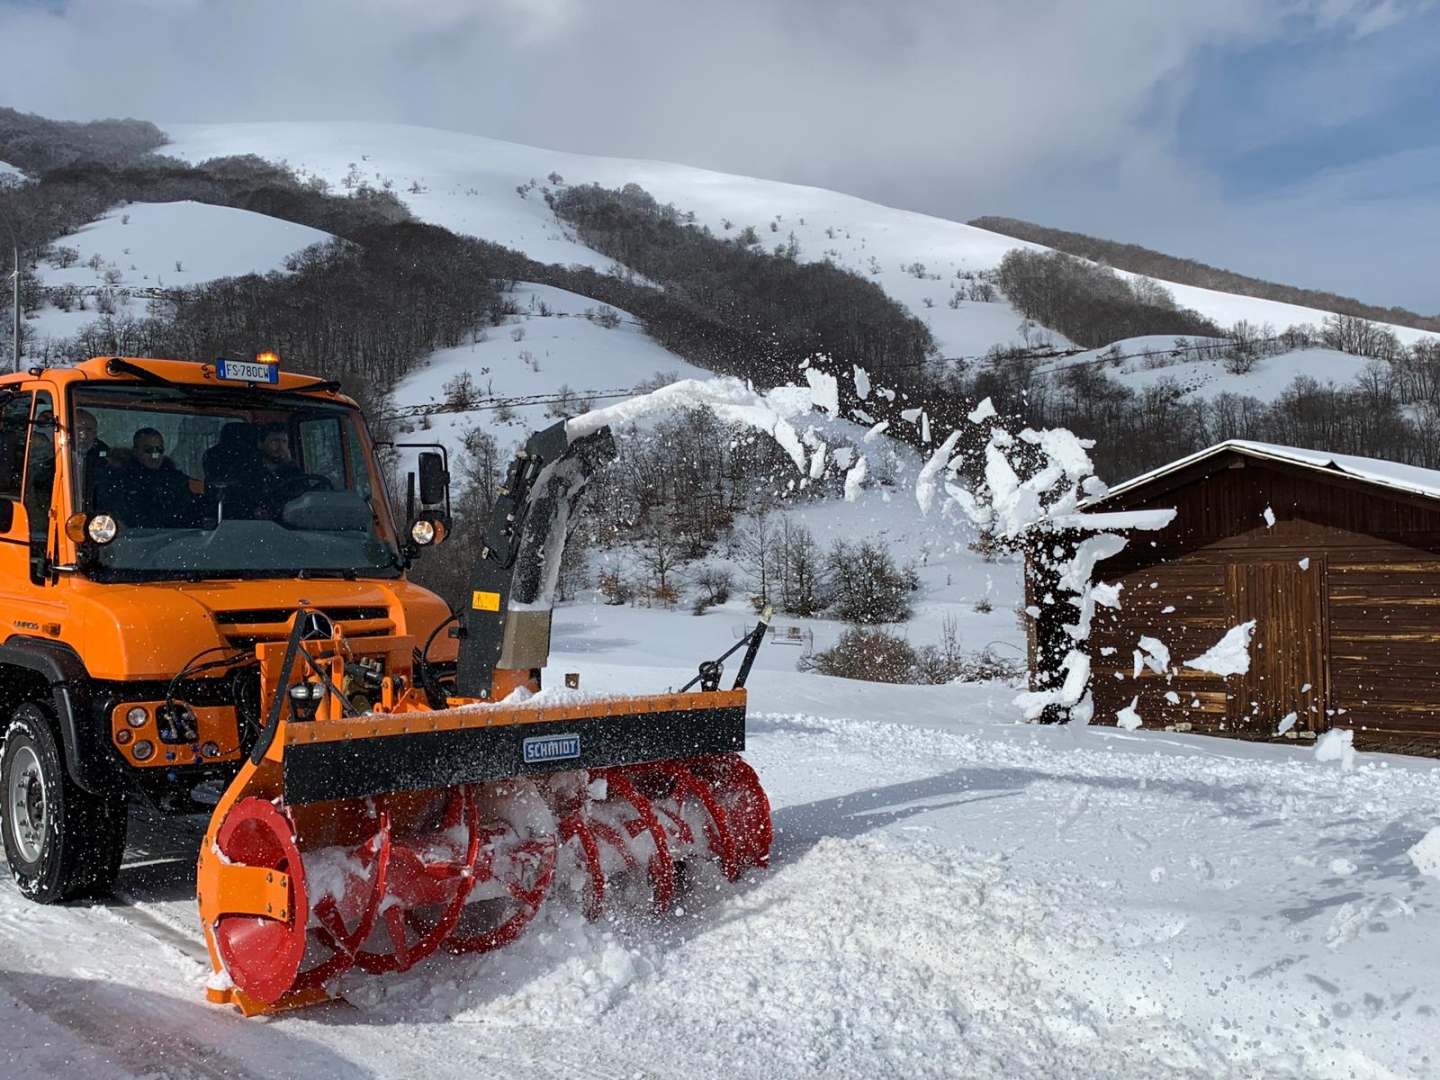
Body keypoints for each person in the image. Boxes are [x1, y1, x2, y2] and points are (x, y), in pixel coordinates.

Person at [111, 428, 203, 528]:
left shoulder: (175, 479)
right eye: (148, 450)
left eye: (159, 450)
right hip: (134, 539)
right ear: (135, 451)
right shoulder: (120, 479)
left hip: (175, 538)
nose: (155, 455)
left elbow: (200, 497)